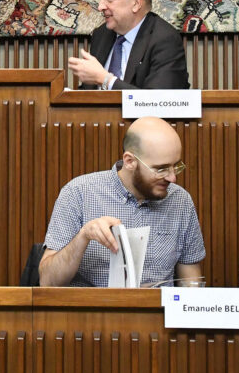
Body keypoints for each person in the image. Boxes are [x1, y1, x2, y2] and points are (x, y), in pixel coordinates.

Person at [38, 116, 205, 287]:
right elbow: (48, 282)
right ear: (130, 161)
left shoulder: (180, 201)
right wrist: (83, 236)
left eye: (176, 166)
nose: (172, 178)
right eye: (161, 169)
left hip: (157, 304)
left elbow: (190, 281)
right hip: (92, 304)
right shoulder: (78, 193)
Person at [68, 0, 189, 90]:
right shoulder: (102, 34)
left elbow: (158, 99)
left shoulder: (164, 40)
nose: (100, 6)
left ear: (136, 3)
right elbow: (90, 92)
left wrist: (105, 80)